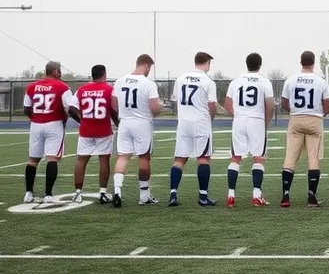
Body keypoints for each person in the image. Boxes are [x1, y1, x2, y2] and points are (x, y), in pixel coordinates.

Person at [280, 51, 329, 207]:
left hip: (296, 119)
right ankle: (311, 197)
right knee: (313, 158)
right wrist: (318, 114)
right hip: (315, 120)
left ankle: (285, 196)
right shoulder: (321, 81)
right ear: (314, 63)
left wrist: (294, 112)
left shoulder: (290, 80)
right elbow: (328, 105)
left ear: (300, 62)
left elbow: (283, 103)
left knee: (290, 157)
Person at [111, 54, 163, 207]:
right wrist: (157, 110)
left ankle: (117, 191)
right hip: (142, 123)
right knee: (144, 158)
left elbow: (114, 104)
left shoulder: (119, 81)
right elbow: (154, 108)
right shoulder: (148, 83)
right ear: (146, 65)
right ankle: (144, 195)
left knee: (123, 157)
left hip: (125, 122)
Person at [22, 61, 78, 204]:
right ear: (55, 72)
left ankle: (28, 193)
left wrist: (35, 118)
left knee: (33, 160)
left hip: (36, 124)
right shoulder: (62, 87)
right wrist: (80, 120)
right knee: (52, 159)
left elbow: (26, 109)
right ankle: (48, 194)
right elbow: (70, 108)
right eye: (59, 71)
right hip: (54, 124)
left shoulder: (32, 87)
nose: (60, 73)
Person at [224, 52, 275, 207]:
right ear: (260, 65)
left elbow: (227, 104)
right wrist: (265, 122)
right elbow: (270, 105)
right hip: (256, 121)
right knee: (258, 157)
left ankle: (231, 195)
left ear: (247, 64)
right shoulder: (264, 82)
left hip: (239, 121)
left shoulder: (235, 82)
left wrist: (239, 115)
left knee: (235, 157)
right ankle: (256, 195)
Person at [168, 52, 219, 207]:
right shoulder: (208, 81)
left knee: (179, 159)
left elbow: (175, 101)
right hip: (201, 122)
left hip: (184, 123)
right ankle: (203, 197)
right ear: (207, 63)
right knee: (203, 159)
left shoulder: (181, 78)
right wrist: (210, 118)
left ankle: (173, 195)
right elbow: (212, 105)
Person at [71, 64, 119, 204]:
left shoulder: (82, 89)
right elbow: (113, 109)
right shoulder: (109, 89)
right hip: (103, 130)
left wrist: (81, 120)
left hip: (86, 130)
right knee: (104, 160)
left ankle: (78, 192)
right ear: (104, 73)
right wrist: (117, 123)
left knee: (81, 161)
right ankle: (102, 192)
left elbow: (71, 108)